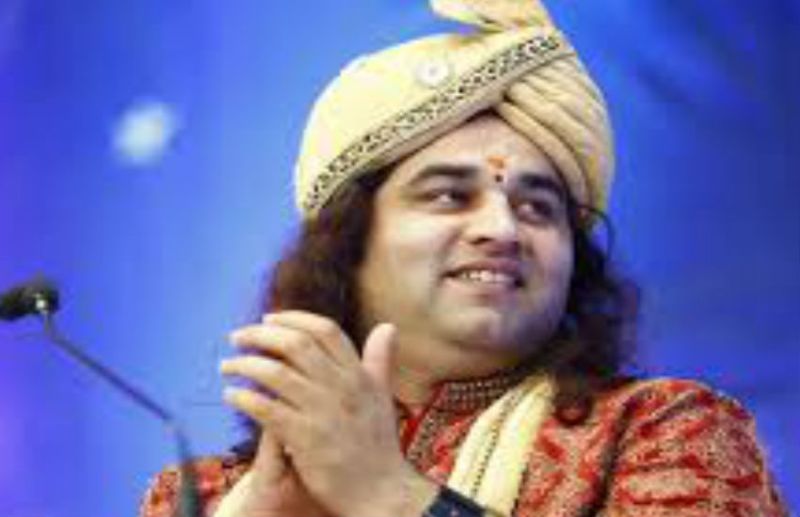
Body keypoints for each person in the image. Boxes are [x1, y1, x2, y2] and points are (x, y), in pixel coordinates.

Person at [140, 1, 788, 516]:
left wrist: (388, 494)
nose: (502, 228)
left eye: (538, 207)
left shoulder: (665, 435)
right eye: (450, 196)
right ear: (349, 244)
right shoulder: (202, 495)